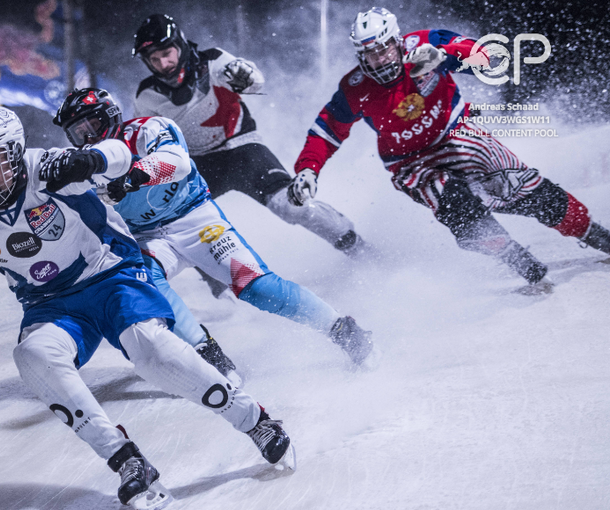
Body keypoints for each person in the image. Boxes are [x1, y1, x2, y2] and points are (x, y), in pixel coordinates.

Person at [0, 92, 295, 510]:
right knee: (33, 356)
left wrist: (92, 159)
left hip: (110, 274)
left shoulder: (48, 168)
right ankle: (127, 460)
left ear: (14, 153)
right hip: (49, 303)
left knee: (151, 350)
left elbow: (120, 155)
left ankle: (255, 420)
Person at [47, 88, 377, 379]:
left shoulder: (149, 128)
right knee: (144, 285)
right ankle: (212, 359)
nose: (89, 138)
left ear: (110, 115)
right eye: (78, 133)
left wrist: (133, 176)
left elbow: (178, 162)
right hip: (148, 237)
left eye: (93, 125)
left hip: (196, 220)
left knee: (257, 288)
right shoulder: (81, 165)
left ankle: (344, 330)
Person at [292, 7, 610, 286]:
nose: (380, 59)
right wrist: (308, 169)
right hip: (410, 163)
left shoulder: (425, 44)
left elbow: (488, 58)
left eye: (384, 49)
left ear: (397, 41)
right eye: (370, 54)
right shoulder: (355, 88)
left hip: (456, 134)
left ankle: (596, 235)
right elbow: (326, 131)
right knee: (454, 202)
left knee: (528, 190)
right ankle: (515, 257)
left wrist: (446, 56)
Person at [131, 14, 369, 271]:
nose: (163, 64)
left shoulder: (212, 60)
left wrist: (244, 75)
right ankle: (217, 288)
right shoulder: (146, 96)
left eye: (167, 53)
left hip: (242, 149)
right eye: (154, 60)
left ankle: (358, 247)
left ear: (180, 44)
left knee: (292, 206)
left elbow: (255, 82)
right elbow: (144, 145)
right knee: (172, 225)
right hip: (197, 167)